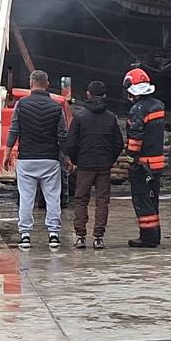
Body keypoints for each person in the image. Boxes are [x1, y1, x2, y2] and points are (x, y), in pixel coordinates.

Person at [2, 70, 68, 250]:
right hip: (50, 159)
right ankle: (53, 235)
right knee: (53, 197)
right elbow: (62, 136)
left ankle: (25, 236)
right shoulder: (56, 107)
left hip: (26, 159)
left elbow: (14, 130)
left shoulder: (21, 105)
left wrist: (7, 153)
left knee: (26, 198)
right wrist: (67, 157)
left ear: (31, 84)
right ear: (47, 84)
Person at [64, 81, 124, 249]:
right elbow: (118, 143)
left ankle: (80, 236)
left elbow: (71, 143)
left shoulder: (80, 116)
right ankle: (98, 237)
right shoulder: (111, 117)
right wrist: (110, 159)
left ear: (88, 94)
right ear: (104, 96)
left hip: (85, 165)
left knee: (81, 200)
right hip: (103, 165)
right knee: (102, 200)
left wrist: (76, 160)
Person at [123, 68, 166, 248]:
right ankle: (155, 236)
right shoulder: (158, 105)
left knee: (142, 200)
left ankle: (147, 238)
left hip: (143, 164)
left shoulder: (137, 109)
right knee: (152, 199)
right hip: (157, 163)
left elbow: (136, 139)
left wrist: (131, 158)